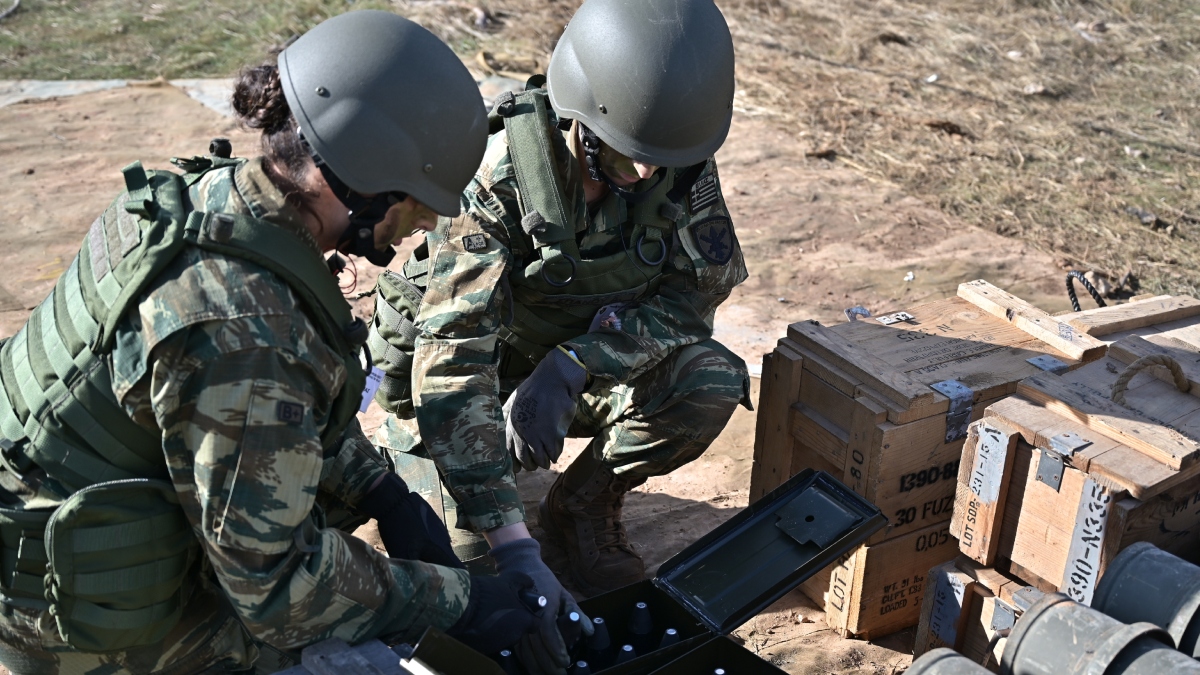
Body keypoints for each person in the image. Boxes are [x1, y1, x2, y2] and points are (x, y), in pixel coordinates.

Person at [0, 10, 569, 675]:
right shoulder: (247, 332)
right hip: (75, 624)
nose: (425, 222)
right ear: (363, 178)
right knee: (363, 659)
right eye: (416, 200)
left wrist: (385, 492)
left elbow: (284, 418)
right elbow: (279, 591)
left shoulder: (211, 199)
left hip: (57, 531)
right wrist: (458, 600)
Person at [370, 0, 751, 607]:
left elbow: (694, 296)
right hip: (470, 384)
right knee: (478, 586)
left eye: (664, 155)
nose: (650, 169)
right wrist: (511, 540)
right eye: (632, 151)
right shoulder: (498, 176)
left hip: (575, 373)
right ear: (584, 113)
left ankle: (580, 505)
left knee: (710, 379)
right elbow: (451, 364)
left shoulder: (673, 163)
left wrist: (578, 361)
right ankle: (471, 501)